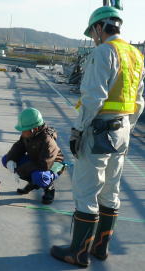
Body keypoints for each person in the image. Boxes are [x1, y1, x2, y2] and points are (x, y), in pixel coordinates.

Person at [51, 3, 145, 268]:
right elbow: (139, 101)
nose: (93, 38)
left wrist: (78, 130)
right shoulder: (135, 55)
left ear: (99, 27)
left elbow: (93, 98)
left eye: (93, 33)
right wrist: (128, 127)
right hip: (123, 130)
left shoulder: (104, 52)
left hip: (98, 130)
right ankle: (100, 248)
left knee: (86, 191)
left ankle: (79, 252)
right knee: (110, 190)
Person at [2, 108, 65, 205]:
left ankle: (49, 188)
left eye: (24, 130)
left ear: (34, 129)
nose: (22, 133)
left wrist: (20, 170)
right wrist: (11, 159)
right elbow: (19, 146)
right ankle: (33, 183)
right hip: (36, 160)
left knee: (39, 176)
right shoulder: (28, 134)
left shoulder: (48, 141)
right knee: (5, 160)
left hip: (53, 164)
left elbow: (44, 165)